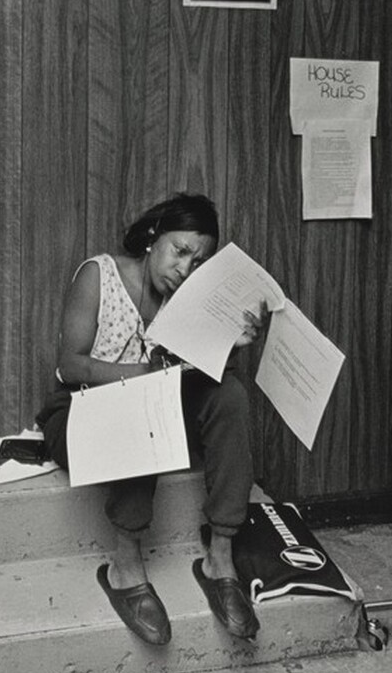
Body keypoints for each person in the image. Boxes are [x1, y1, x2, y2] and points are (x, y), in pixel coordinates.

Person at [36, 193, 265, 646]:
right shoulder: (99, 274)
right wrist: (147, 377)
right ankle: (125, 566)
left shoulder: (188, 299)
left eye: (198, 262)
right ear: (154, 235)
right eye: (180, 251)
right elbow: (71, 365)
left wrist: (228, 344)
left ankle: (220, 557)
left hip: (153, 408)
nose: (185, 269)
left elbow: (199, 379)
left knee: (230, 393)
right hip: (79, 414)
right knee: (142, 401)